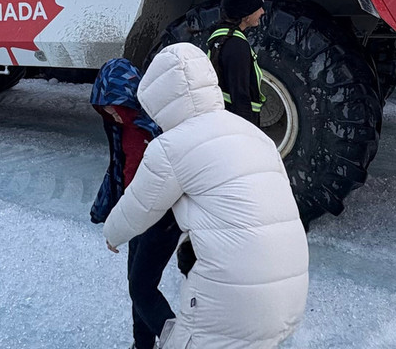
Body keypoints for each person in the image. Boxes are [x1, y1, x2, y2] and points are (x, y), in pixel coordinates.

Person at [103, 43, 308, 349]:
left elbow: (139, 207)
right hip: (291, 297)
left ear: (157, 99)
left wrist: (111, 234)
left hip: (230, 309)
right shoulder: (255, 135)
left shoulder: (171, 147)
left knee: (151, 298)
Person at [90, 58, 181, 349]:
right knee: (137, 286)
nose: (111, 113)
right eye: (105, 108)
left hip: (163, 217)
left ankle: (183, 343)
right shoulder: (119, 128)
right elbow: (119, 170)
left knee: (142, 289)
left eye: (115, 106)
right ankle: (142, 345)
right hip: (136, 216)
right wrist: (108, 212)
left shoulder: (157, 126)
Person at [206, 0, 266, 127]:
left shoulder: (219, 35)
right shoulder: (237, 47)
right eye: (258, 8)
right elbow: (240, 96)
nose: (262, 12)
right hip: (239, 123)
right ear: (246, 15)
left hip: (225, 117)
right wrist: (248, 133)